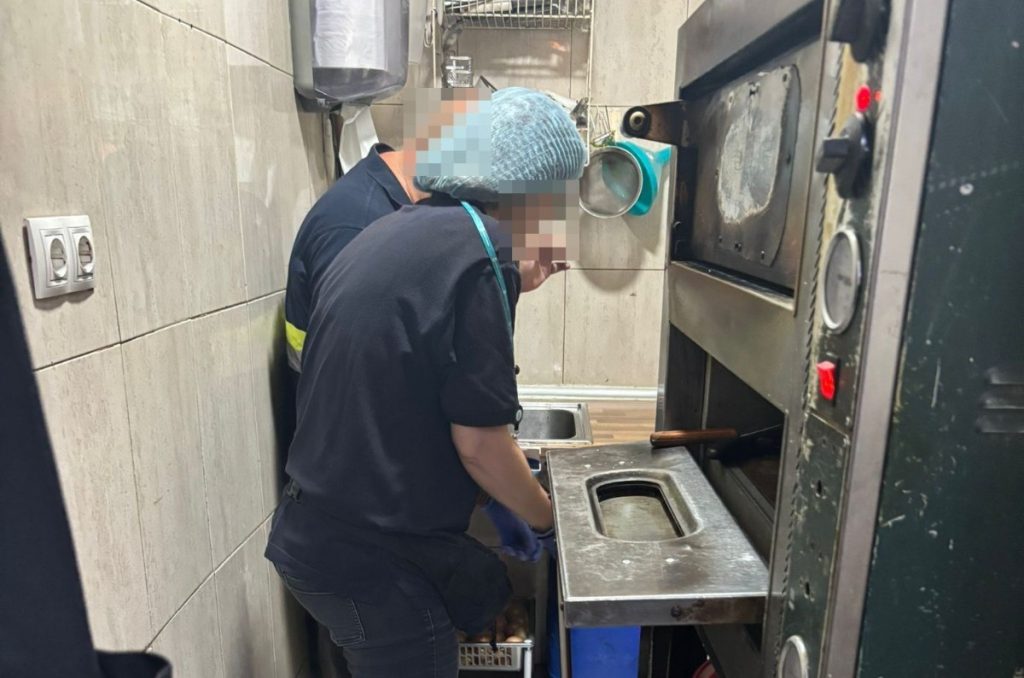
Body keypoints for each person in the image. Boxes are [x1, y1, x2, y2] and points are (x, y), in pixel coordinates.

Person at [265, 87, 586, 678]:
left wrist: (501, 493)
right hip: (366, 561)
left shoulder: (402, 226)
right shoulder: (481, 250)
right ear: (533, 191)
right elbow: (480, 444)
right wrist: (546, 522)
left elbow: (412, 385)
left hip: (320, 533)